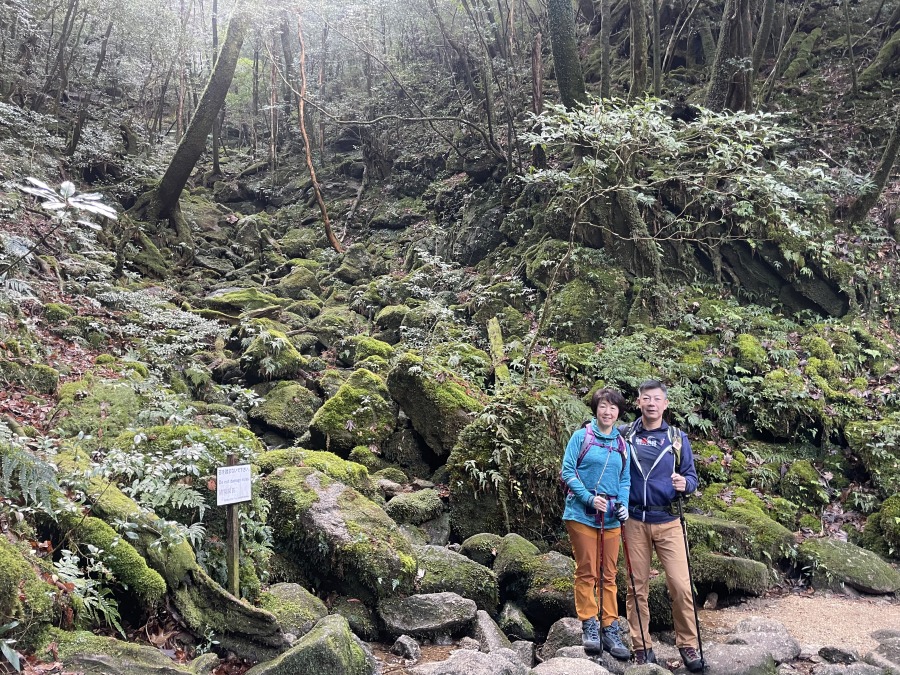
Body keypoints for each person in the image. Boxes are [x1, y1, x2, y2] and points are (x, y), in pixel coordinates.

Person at [622, 379, 703, 672]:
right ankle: (641, 647)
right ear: (638, 402)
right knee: (636, 588)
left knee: (681, 585)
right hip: (633, 520)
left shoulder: (677, 439)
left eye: (657, 399)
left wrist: (685, 484)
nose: (651, 403)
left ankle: (688, 644)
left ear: (665, 404)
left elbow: (692, 477)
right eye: (646, 398)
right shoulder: (625, 435)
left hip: (668, 521)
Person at [560, 387, 631, 659]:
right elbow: (568, 471)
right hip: (581, 514)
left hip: (611, 517)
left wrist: (622, 505)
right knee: (587, 570)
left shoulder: (622, 444)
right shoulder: (581, 437)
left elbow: (625, 480)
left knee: (609, 574)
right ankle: (589, 623)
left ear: (619, 412)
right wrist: (589, 498)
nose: (607, 411)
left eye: (613, 407)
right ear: (596, 408)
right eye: (603, 406)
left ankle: (610, 627)